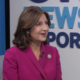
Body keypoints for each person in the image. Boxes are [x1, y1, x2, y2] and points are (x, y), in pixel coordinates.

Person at [3, 6, 62, 80]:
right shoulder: (12, 54)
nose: (45, 28)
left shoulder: (53, 51)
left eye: (46, 23)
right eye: (39, 24)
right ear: (27, 29)